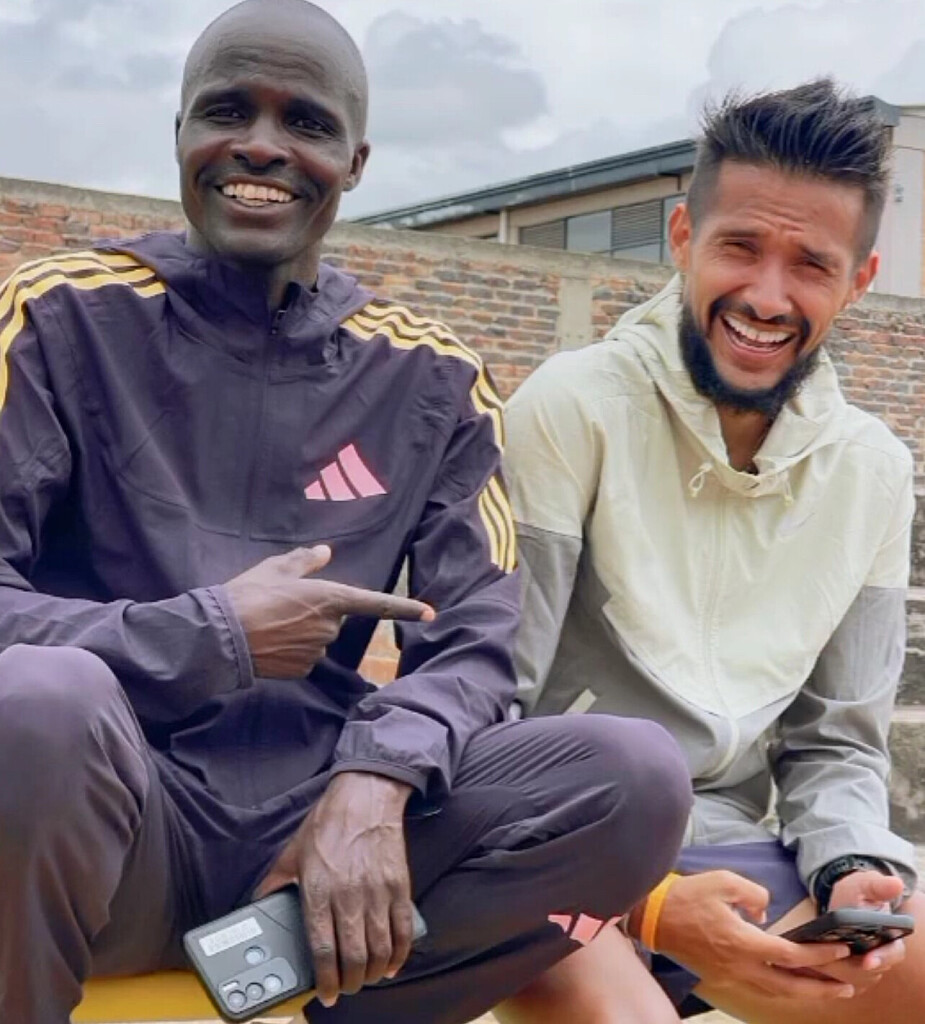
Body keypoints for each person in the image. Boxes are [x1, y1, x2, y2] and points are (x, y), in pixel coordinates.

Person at [0, 2, 695, 1022]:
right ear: (181, 132)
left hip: (322, 840)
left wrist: (375, 779)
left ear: (355, 161)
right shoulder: (56, 316)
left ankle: (322, 991)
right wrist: (210, 634)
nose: (261, 146)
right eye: (227, 111)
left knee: (634, 779)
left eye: (306, 122)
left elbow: (476, 645)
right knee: (38, 703)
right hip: (110, 826)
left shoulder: (430, 376)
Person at [502, 79, 925, 1024]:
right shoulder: (569, 408)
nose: (766, 297)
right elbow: (490, 716)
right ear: (682, 236)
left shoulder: (873, 471)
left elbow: (834, 744)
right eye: (739, 247)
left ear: (858, 280)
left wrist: (852, 866)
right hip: (551, 848)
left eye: (810, 264)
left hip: (731, 848)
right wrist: (648, 909)